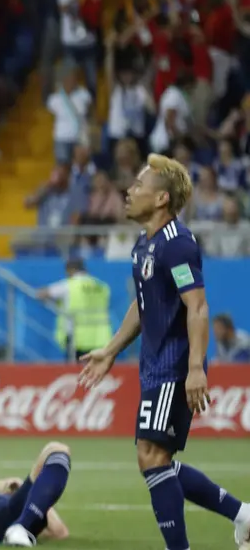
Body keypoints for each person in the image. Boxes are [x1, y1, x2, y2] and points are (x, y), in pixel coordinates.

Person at [79, 154, 250, 550]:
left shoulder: (177, 244)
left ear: (160, 200)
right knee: (156, 460)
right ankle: (243, 515)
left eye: (139, 185)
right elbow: (143, 304)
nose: (130, 191)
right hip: (154, 366)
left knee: (151, 457)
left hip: (174, 366)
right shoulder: (145, 246)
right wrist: (110, 349)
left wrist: (195, 368)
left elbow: (198, 306)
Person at [36, 258, 113, 361]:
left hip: (77, 336)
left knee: (76, 372)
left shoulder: (69, 285)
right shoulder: (101, 286)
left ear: (70, 270)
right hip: (100, 336)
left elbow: (42, 294)